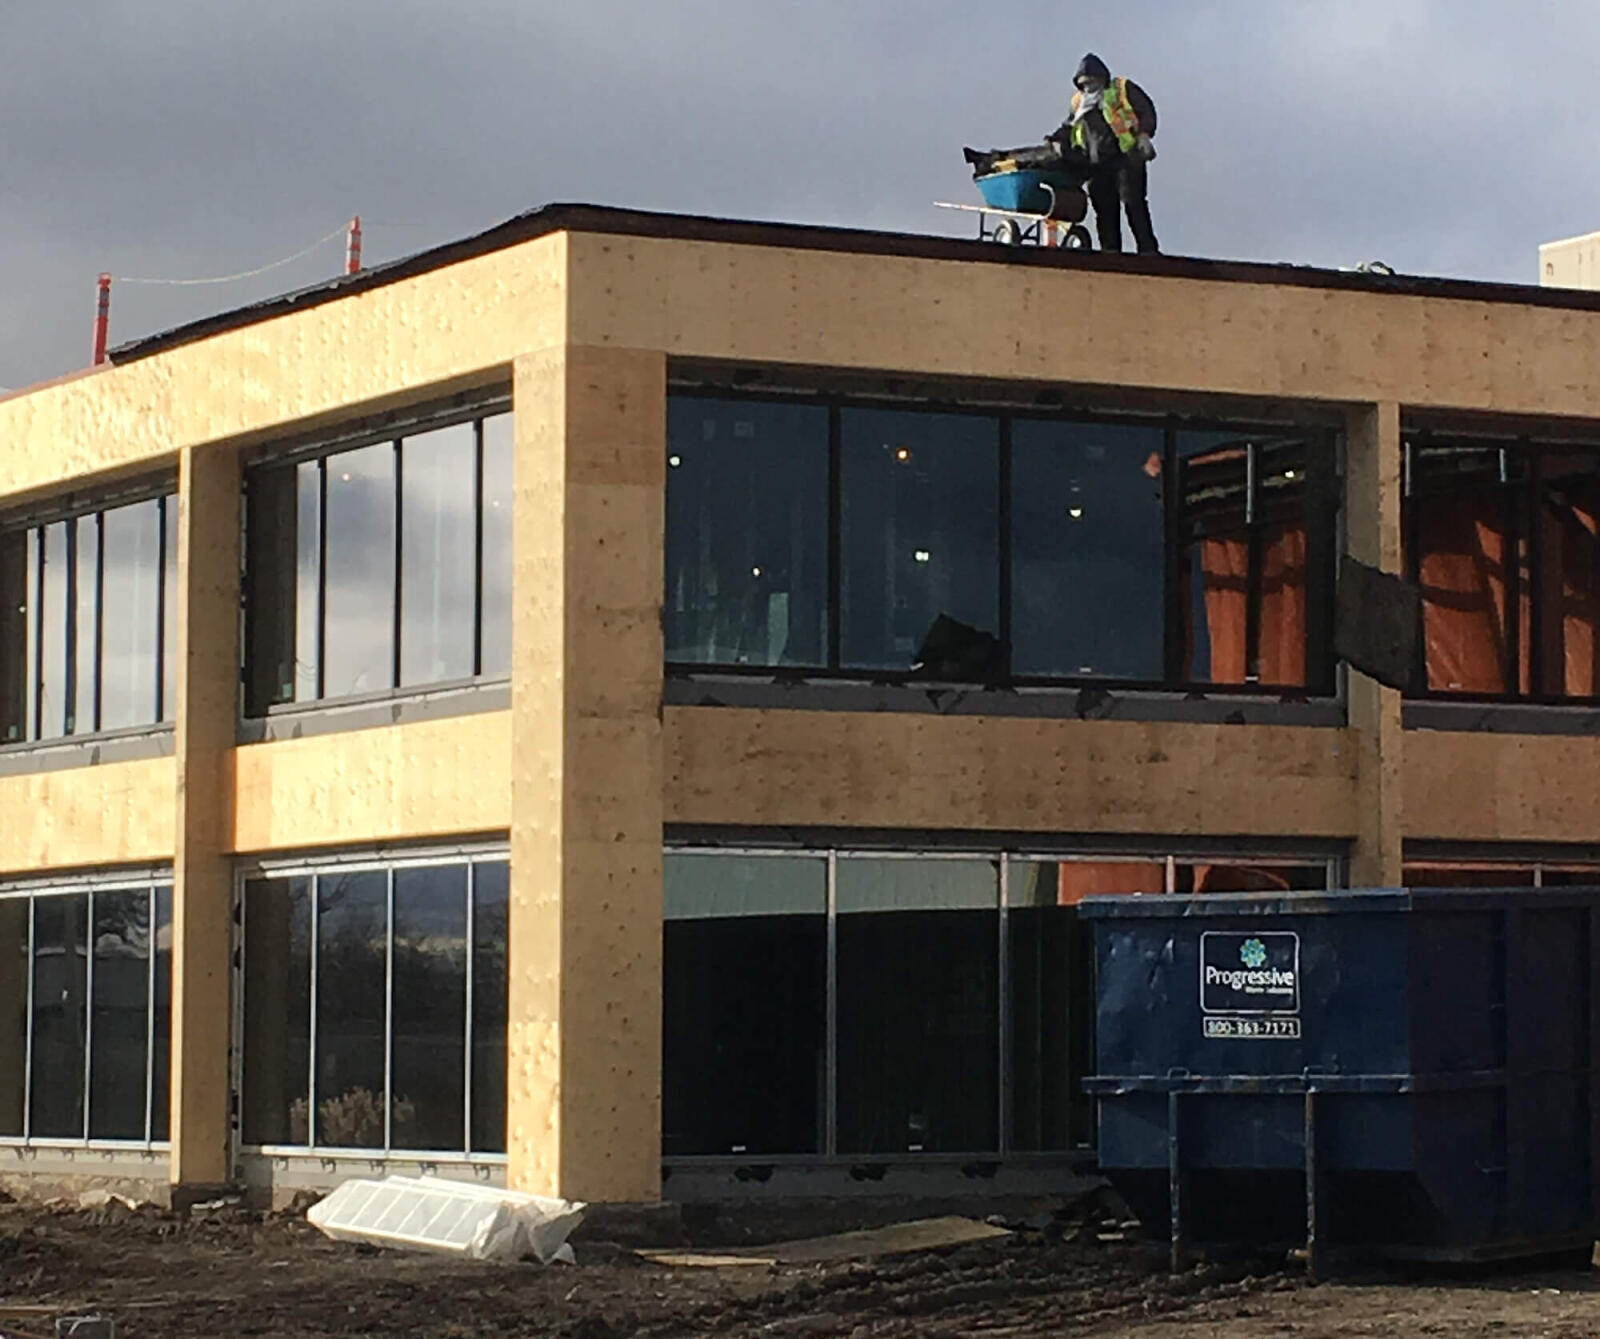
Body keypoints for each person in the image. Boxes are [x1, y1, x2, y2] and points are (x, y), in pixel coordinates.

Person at [1051, 52, 1159, 254]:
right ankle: (1110, 255)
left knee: (1133, 204)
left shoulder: (1121, 89)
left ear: (1102, 78)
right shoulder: (1079, 103)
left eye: (1092, 81)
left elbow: (1146, 109)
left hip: (1127, 157)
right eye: (1084, 83)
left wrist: (1144, 134)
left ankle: (1148, 252)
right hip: (1096, 164)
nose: (1089, 87)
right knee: (1105, 210)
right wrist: (1056, 140)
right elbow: (1069, 126)